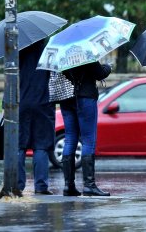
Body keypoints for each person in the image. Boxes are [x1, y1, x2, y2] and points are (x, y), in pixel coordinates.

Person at [60, 61, 112, 196]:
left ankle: (68, 185)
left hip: (66, 98)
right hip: (85, 97)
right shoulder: (85, 52)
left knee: (70, 139)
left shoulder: (62, 54)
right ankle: (89, 185)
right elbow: (100, 73)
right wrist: (108, 67)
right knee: (88, 140)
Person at [18, 40, 56, 195]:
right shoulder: (49, 50)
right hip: (43, 103)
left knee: (19, 146)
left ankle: (16, 185)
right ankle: (41, 187)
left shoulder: (20, 51)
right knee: (41, 146)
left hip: (23, 102)